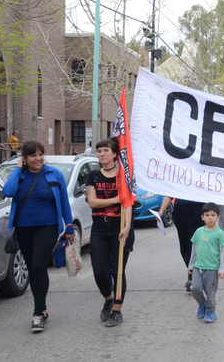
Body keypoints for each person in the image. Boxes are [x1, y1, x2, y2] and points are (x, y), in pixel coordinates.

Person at [2, 141, 75, 333]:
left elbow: (64, 202)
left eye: (40, 154)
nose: (38, 158)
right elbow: (8, 191)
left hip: (48, 227)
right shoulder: (19, 175)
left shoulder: (54, 174)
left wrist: (69, 226)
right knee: (33, 270)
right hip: (24, 228)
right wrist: (18, 169)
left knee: (38, 266)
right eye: (33, 155)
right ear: (24, 159)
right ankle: (42, 309)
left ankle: (37, 313)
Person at [86, 138, 134, 327]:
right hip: (99, 227)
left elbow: (128, 204)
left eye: (106, 150)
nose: (101, 154)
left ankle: (117, 311)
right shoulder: (94, 176)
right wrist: (117, 199)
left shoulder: (124, 176)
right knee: (99, 271)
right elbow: (93, 202)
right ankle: (108, 299)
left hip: (120, 228)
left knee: (117, 271)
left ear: (115, 154)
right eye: (99, 151)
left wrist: (127, 227)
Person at [189, 202, 224, 324]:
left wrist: (222, 269)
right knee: (195, 289)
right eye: (207, 215)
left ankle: (211, 311)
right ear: (202, 217)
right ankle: (202, 304)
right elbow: (194, 250)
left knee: (210, 292)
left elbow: (223, 253)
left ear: (218, 217)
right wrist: (191, 265)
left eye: (213, 215)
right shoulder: (198, 232)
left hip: (212, 269)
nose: (210, 218)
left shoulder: (220, 234)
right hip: (198, 267)